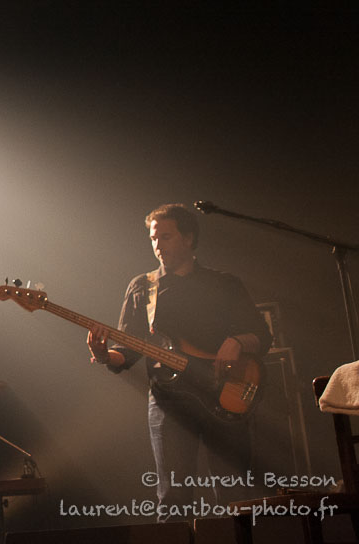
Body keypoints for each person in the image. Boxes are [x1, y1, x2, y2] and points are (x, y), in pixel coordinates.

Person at [86, 203, 271, 517]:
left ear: (189, 238)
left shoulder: (224, 283)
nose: (158, 245)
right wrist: (104, 355)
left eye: (166, 237)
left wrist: (238, 342)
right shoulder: (142, 287)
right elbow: (127, 352)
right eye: (153, 239)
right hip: (168, 401)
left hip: (224, 394)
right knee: (173, 500)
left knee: (235, 498)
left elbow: (262, 336)